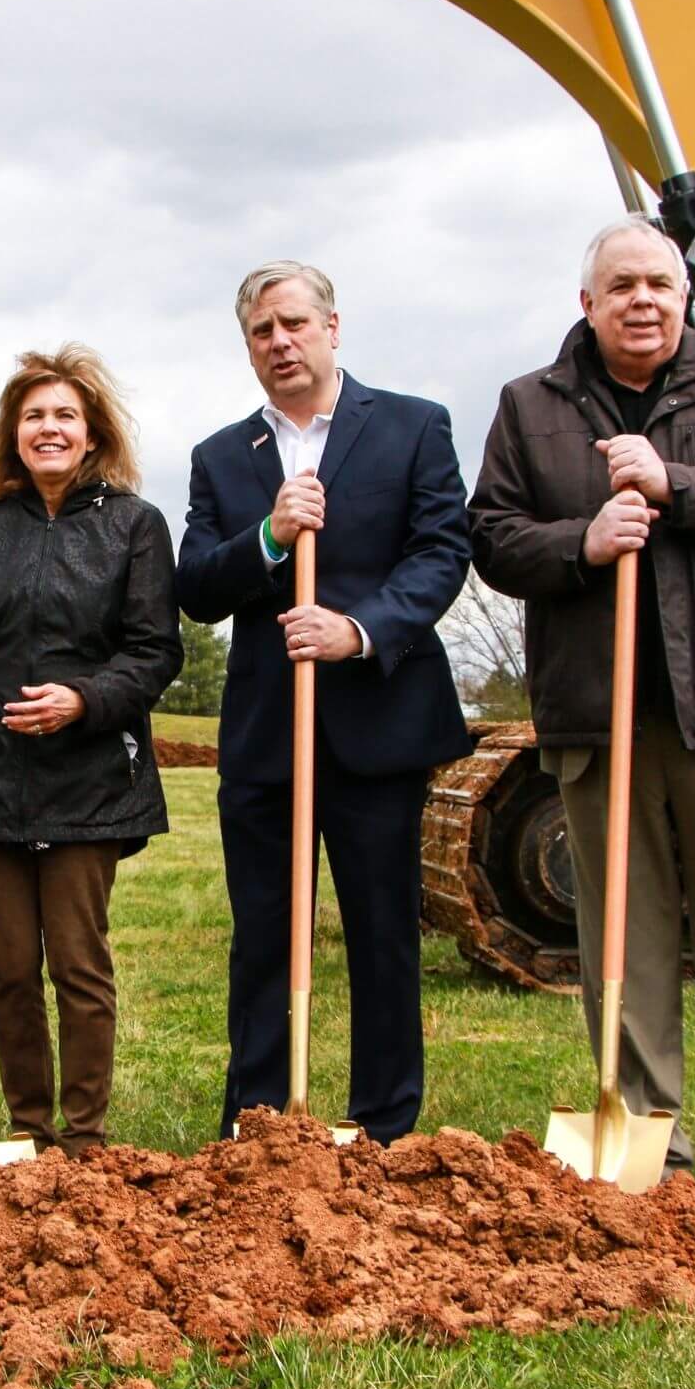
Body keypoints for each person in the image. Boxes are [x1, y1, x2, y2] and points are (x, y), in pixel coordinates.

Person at [469, 215, 695, 1214]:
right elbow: (492, 537)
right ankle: (644, 1144)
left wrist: (677, 485)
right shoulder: (531, 405)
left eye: (658, 285)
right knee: (621, 943)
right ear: (586, 303)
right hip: (600, 719)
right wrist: (581, 543)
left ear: (684, 297)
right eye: (621, 285)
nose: (641, 301)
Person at [176, 262, 469, 1147]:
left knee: (383, 933)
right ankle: (259, 1123)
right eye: (262, 331)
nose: (281, 342)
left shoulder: (413, 426)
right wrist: (268, 536)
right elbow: (197, 587)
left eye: (295, 323)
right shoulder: (221, 458)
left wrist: (358, 629)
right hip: (268, 736)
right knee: (264, 936)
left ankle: (384, 1126)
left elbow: (441, 550)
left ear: (333, 328)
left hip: (378, 723)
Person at [0, 344, 182, 1156]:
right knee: (6, 968)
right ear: (14, 433)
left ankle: (84, 1135)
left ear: (93, 431)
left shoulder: (135, 525)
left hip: (89, 779)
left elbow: (154, 651)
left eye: (65, 414)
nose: (49, 428)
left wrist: (83, 700)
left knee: (77, 964)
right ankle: (26, 1132)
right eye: (34, 416)